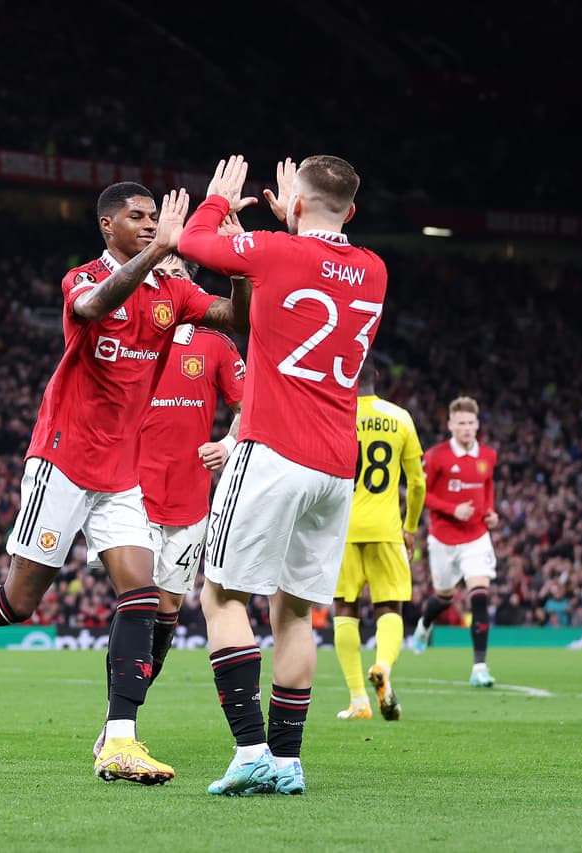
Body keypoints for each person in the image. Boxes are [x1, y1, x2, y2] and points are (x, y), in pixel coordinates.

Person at [0, 182, 246, 786]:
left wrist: (238, 260)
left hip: (121, 473)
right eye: (137, 217)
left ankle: (119, 740)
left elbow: (236, 317)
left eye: (155, 218)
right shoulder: (82, 279)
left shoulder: (173, 291)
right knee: (18, 602)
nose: (150, 225)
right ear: (107, 225)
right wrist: (158, 251)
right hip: (63, 461)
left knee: (141, 595)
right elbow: (92, 309)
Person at [178, 154, 388, 796]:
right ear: (352, 211)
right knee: (294, 611)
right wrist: (294, 223)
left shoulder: (273, 251)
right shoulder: (375, 269)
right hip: (336, 466)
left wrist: (218, 202)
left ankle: (251, 752)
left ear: (293, 204)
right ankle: (289, 762)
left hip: (272, 451)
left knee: (221, 597)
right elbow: (316, 266)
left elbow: (192, 243)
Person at [89, 250, 246, 756]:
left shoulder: (215, 343)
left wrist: (229, 443)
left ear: (189, 287)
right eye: (161, 274)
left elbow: (249, 404)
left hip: (189, 500)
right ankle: (119, 722)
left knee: (167, 610)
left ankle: (121, 714)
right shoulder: (131, 337)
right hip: (131, 494)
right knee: (137, 602)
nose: (168, 281)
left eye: (177, 274)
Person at [332, 358, 425, 721]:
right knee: (389, 608)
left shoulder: (336, 416)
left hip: (343, 530)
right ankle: (382, 666)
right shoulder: (400, 418)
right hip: (387, 529)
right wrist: (410, 527)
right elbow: (417, 483)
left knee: (345, 609)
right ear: (377, 377)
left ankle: (358, 699)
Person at [410, 396, 500, 687]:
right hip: (443, 538)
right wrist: (452, 509)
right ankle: (425, 624)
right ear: (450, 425)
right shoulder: (436, 456)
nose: (467, 428)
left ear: (477, 424)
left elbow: (487, 484)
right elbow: (420, 493)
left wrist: (490, 512)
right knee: (444, 598)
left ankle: (479, 667)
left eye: (471, 423)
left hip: (476, 537)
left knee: (480, 595)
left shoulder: (488, 455)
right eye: (461, 423)